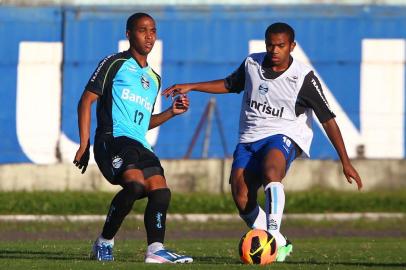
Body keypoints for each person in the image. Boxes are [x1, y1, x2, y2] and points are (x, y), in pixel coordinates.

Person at [163, 22, 363, 262]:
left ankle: (273, 235)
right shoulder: (252, 64)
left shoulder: (303, 78)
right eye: (271, 45)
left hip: (285, 134)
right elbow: (230, 84)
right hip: (249, 138)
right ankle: (280, 243)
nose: (275, 50)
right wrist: (193, 86)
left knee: (272, 170)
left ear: (292, 46)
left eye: (281, 46)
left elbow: (328, 121)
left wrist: (345, 161)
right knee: (241, 195)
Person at [73, 12, 193, 264]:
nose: (149, 36)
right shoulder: (114, 63)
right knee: (136, 185)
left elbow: (143, 122)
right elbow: (86, 100)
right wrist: (85, 143)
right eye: (142, 30)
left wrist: (171, 113)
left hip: (139, 144)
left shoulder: (154, 78)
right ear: (129, 34)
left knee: (161, 191)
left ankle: (156, 250)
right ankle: (104, 242)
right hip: (112, 139)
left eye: (153, 31)